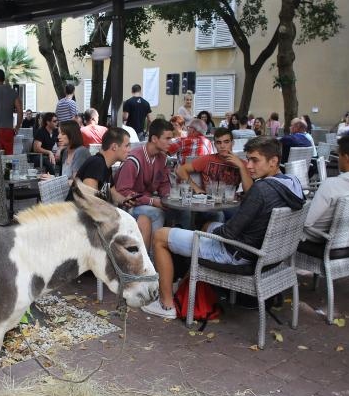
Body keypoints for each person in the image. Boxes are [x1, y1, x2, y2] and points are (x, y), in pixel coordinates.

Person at [142, 136, 306, 318]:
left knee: (160, 236)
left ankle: (166, 304)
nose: (249, 165)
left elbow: (229, 232)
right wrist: (208, 231)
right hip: (267, 254)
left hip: (238, 255)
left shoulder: (261, 191)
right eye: (248, 159)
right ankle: (188, 287)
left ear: (274, 161)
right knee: (208, 224)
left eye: (255, 160)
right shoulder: (293, 184)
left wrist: (202, 236)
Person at [303, 135, 349, 241]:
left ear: (346, 158)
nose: (338, 159)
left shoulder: (331, 186)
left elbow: (306, 222)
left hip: (321, 242)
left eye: (339, 155)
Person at [115, 118, 173, 251]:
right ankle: (154, 259)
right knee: (157, 213)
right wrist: (152, 201)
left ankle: (181, 260)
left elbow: (163, 183)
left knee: (182, 213)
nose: (171, 142)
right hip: (127, 205)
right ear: (154, 139)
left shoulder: (162, 158)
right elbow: (123, 191)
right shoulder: (133, 160)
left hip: (146, 202)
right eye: (167, 138)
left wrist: (167, 196)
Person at [176, 127, 252, 195]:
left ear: (232, 143)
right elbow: (180, 170)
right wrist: (196, 188)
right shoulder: (207, 159)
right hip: (210, 203)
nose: (222, 146)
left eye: (226, 142)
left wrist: (241, 167)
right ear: (215, 145)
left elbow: (249, 192)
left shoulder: (242, 164)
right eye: (219, 142)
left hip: (230, 204)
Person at [74, 127, 132, 203]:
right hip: (78, 212)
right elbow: (90, 200)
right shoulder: (96, 164)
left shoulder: (106, 166)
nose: (129, 150)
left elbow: (113, 193)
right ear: (114, 147)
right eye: (127, 146)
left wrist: (124, 200)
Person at [0, 68, 23, 155]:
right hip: (8, 130)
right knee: (8, 157)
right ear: (4, 79)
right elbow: (20, 111)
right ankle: (8, 168)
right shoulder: (13, 92)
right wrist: (17, 127)